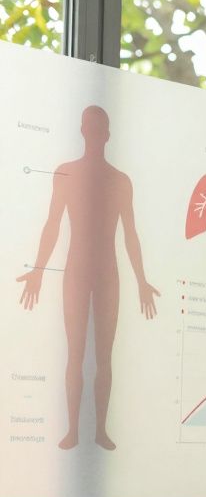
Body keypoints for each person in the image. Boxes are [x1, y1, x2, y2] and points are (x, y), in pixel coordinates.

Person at [17, 105, 159, 450]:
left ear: (105, 135)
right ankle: (74, 431)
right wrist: (37, 269)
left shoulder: (120, 181)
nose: (95, 134)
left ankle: (99, 431)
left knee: (104, 356)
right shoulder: (66, 173)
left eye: (99, 129)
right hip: (77, 272)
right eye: (91, 128)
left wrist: (141, 280)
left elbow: (131, 235)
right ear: (85, 132)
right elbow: (52, 224)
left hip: (107, 273)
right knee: (75, 355)